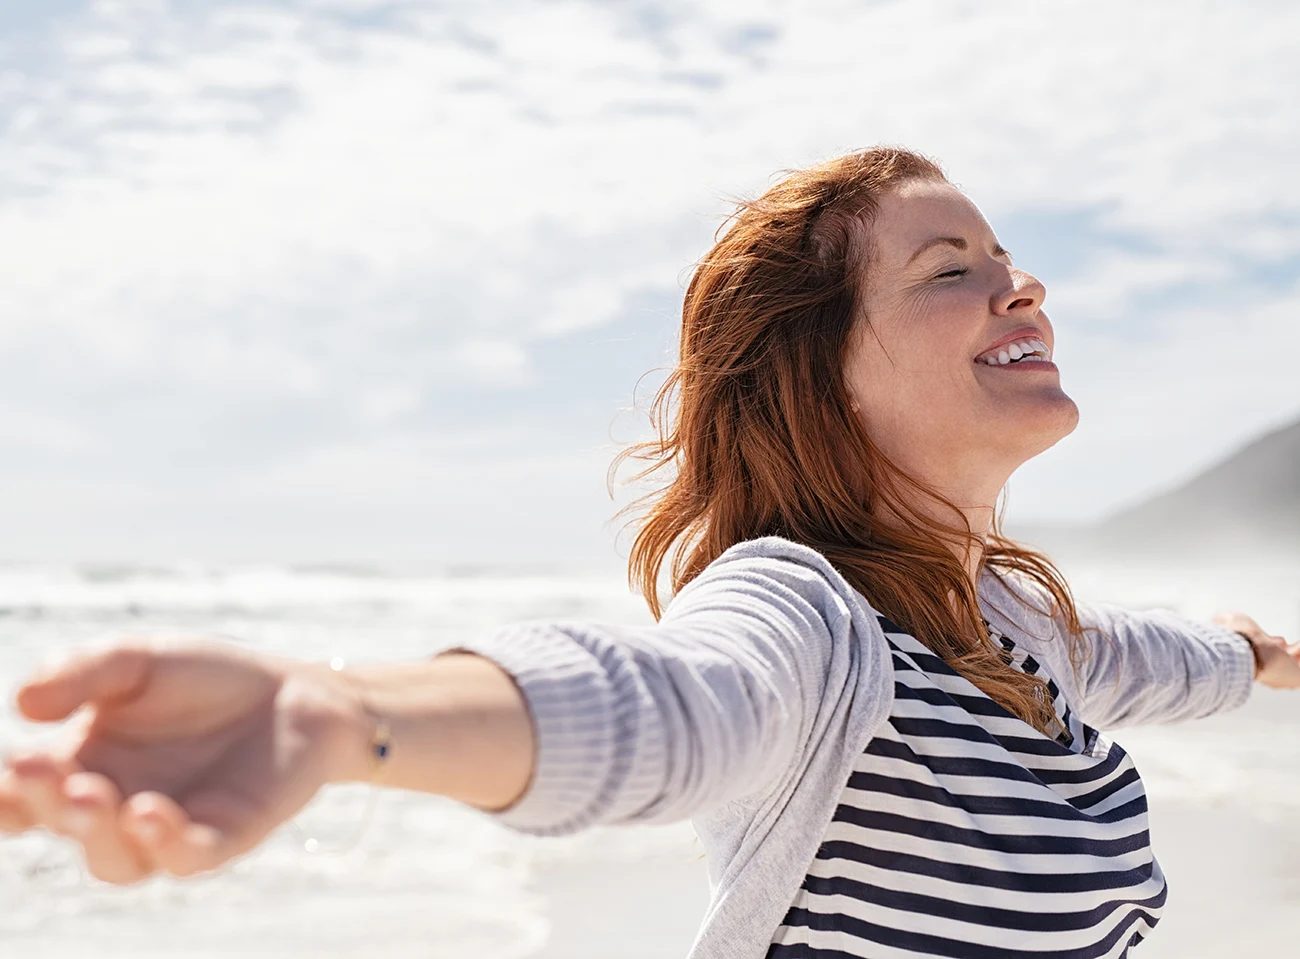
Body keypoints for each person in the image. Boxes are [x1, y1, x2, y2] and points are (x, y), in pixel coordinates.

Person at [2, 146, 1297, 958]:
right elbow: (668, 706)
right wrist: (347, 713)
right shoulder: (809, 614)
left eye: (1009, 260)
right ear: (825, 380)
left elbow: (1158, 656)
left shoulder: (1011, 619)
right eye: (950, 269)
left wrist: (1263, 650)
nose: (1026, 289)